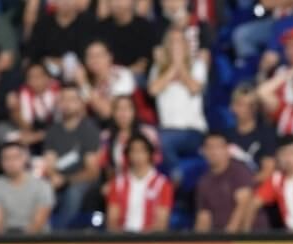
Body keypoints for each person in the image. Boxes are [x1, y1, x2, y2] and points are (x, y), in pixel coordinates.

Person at [42, 83, 101, 230]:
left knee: (73, 192)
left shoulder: (89, 130)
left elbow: (92, 172)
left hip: (83, 181)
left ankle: (60, 237)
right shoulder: (53, 130)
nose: (67, 104)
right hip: (59, 179)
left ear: (81, 103)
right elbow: (49, 163)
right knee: (39, 189)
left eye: (72, 99)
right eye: (63, 99)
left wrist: (66, 180)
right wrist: (53, 175)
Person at [149, 28, 207, 168]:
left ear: (186, 45)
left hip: (192, 130)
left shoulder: (197, 66)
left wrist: (180, 66)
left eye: (180, 41)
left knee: (162, 141)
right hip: (166, 128)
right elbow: (153, 90)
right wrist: (173, 68)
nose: (176, 45)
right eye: (172, 41)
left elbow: (195, 88)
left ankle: (176, 175)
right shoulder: (158, 68)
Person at [106, 133, 172, 233]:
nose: (137, 156)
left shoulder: (162, 184)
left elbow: (161, 222)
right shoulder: (118, 183)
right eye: (134, 151)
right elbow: (112, 220)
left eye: (142, 151)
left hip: (151, 242)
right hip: (122, 242)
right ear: (128, 155)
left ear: (150, 153)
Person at [0, 141, 55, 234]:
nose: (10, 162)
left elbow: (38, 223)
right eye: (6, 158)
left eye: (15, 157)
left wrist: (20, 243)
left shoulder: (43, 186)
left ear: (25, 158)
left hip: (37, 241)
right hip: (6, 240)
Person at [225, 83, 277, 184]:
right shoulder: (226, 136)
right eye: (239, 104)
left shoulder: (266, 134)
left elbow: (268, 171)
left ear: (255, 108)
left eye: (249, 105)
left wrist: (245, 184)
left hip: (254, 187)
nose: (243, 109)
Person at [74, 39, 136, 123]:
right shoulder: (85, 77)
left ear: (110, 57)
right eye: (90, 56)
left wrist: (83, 84)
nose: (94, 60)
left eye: (99, 55)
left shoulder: (121, 74)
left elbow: (109, 113)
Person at [97, 0, 154, 77]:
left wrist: (123, 73)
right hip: (106, 75)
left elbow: (143, 63)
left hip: (135, 76)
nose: (117, 3)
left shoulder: (144, 27)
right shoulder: (101, 27)